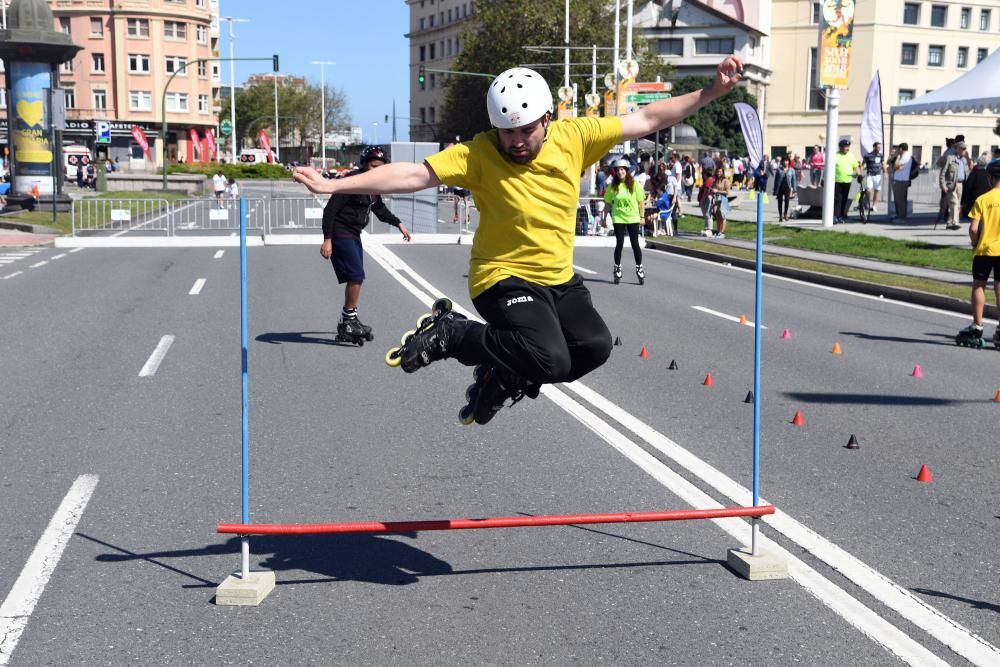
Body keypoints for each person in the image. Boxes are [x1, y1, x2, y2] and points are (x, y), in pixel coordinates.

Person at [292, 56, 745, 424]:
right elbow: (414, 173)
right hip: (501, 278)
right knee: (550, 359)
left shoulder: (577, 136)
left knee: (593, 347)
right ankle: (453, 334)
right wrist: (334, 184)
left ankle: (503, 378)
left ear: (547, 119)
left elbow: (646, 117)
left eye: (526, 131)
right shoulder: (479, 152)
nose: (517, 142)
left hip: (558, 279)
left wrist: (711, 92)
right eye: (507, 132)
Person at [320, 145, 412, 344]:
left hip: (354, 233)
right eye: (373, 166)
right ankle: (349, 320)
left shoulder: (374, 186)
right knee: (356, 275)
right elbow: (330, 210)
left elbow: (379, 209)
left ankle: (348, 319)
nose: (376, 170)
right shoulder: (352, 181)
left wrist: (398, 223)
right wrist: (327, 239)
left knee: (356, 277)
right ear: (364, 164)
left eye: (380, 167)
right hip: (340, 231)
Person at [956, 158, 1000, 348]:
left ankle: (977, 326)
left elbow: (973, 229)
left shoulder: (983, 199)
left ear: (990, 177)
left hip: (984, 250)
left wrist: (975, 244)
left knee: (979, 286)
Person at [604, 158, 647, 283]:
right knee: (620, 243)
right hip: (618, 217)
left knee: (635, 244)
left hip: (633, 217)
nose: (620, 172)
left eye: (622, 169)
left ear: (627, 171)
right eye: (618, 170)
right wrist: (604, 217)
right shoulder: (613, 186)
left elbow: (641, 202)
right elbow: (607, 203)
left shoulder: (634, 184)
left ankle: (639, 268)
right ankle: (617, 268)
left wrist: (642, 217)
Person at [939, 141, 968, 230]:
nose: (964, 151)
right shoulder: (950, 158)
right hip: (951, 184)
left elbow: (966, 172)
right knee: (954, 203)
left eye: (965, 149)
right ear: (957, 149)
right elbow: (943, 172)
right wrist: (943, 185)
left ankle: (949, 222)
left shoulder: (964, 160)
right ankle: (955, 222)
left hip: (960, 184)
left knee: (957, 204)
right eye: (962, 149)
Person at [833, 138, 860, 224]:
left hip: (848, 181)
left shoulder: (851, 155)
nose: (847, 148)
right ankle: (835, 216)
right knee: (837, 199)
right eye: (845, 146)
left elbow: (856, 166)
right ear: (840, 147)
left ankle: (841, 216)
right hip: (837, 181)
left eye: (848, 146)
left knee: (845, 199)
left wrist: (859, 175)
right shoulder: (835, 155)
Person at [962, 153, 993, 219]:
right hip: (984, 200)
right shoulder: (988, 174)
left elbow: (968, 187)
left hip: (974, 200)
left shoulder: (974, 172)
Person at [890, 143, 913, 222]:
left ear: (901, 149)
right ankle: (900, 215)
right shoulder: (908, 156)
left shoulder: (904, 157)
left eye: (898, 149)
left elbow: (896, 166)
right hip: (903, 180)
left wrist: (898, 158)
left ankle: (901, 217)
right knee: (901, 199)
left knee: (900, 200)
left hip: (900, 180)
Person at [861, 141, 885, 213]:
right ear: (874, 147)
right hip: (870, 175)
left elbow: (882, 164)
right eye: (877, 147)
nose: (879, 148)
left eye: (879, 147)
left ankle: (874, 206)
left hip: (878, 175)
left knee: (876, 191)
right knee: (868, 190)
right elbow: (863, 165)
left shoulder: (880, 155)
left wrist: (885, 171)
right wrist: (860, 172)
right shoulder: (867, 155)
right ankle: (867, 203)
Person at [772, 156, 797, 222]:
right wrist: (775, 189)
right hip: (780, 187)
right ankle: (780, 216)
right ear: (782, 162)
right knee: (779, 202)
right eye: (784, 161)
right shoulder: (779, 169)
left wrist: (794, 190)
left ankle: (785, 214)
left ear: (789, 162)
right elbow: (776, 180)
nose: (785, 162)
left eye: (787, 161)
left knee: (787, 201)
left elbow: (794, 180)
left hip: (787, 187)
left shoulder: (792, 170)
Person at [709, 167, 731, 238]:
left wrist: (717, 191)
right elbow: (714, 188)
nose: (718, 173)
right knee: (717, 215)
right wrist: (711, 190)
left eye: (720, 172)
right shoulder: (716, 180)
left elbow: (728, 192)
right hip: (716, 199)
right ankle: (718, 231)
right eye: (718, 172)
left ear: (723, 172)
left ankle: (722, 232)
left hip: (723, 199)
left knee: (722, 216)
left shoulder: (725, 181)